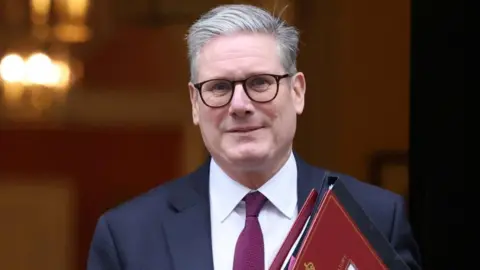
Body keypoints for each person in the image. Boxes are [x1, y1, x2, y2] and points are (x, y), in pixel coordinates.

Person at [87, 4, 421, 270]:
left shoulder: (373, 218)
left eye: (260, 82)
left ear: (298, 92)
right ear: (194, 103)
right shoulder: (128, 235)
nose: (240, 105)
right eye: (219, 87)